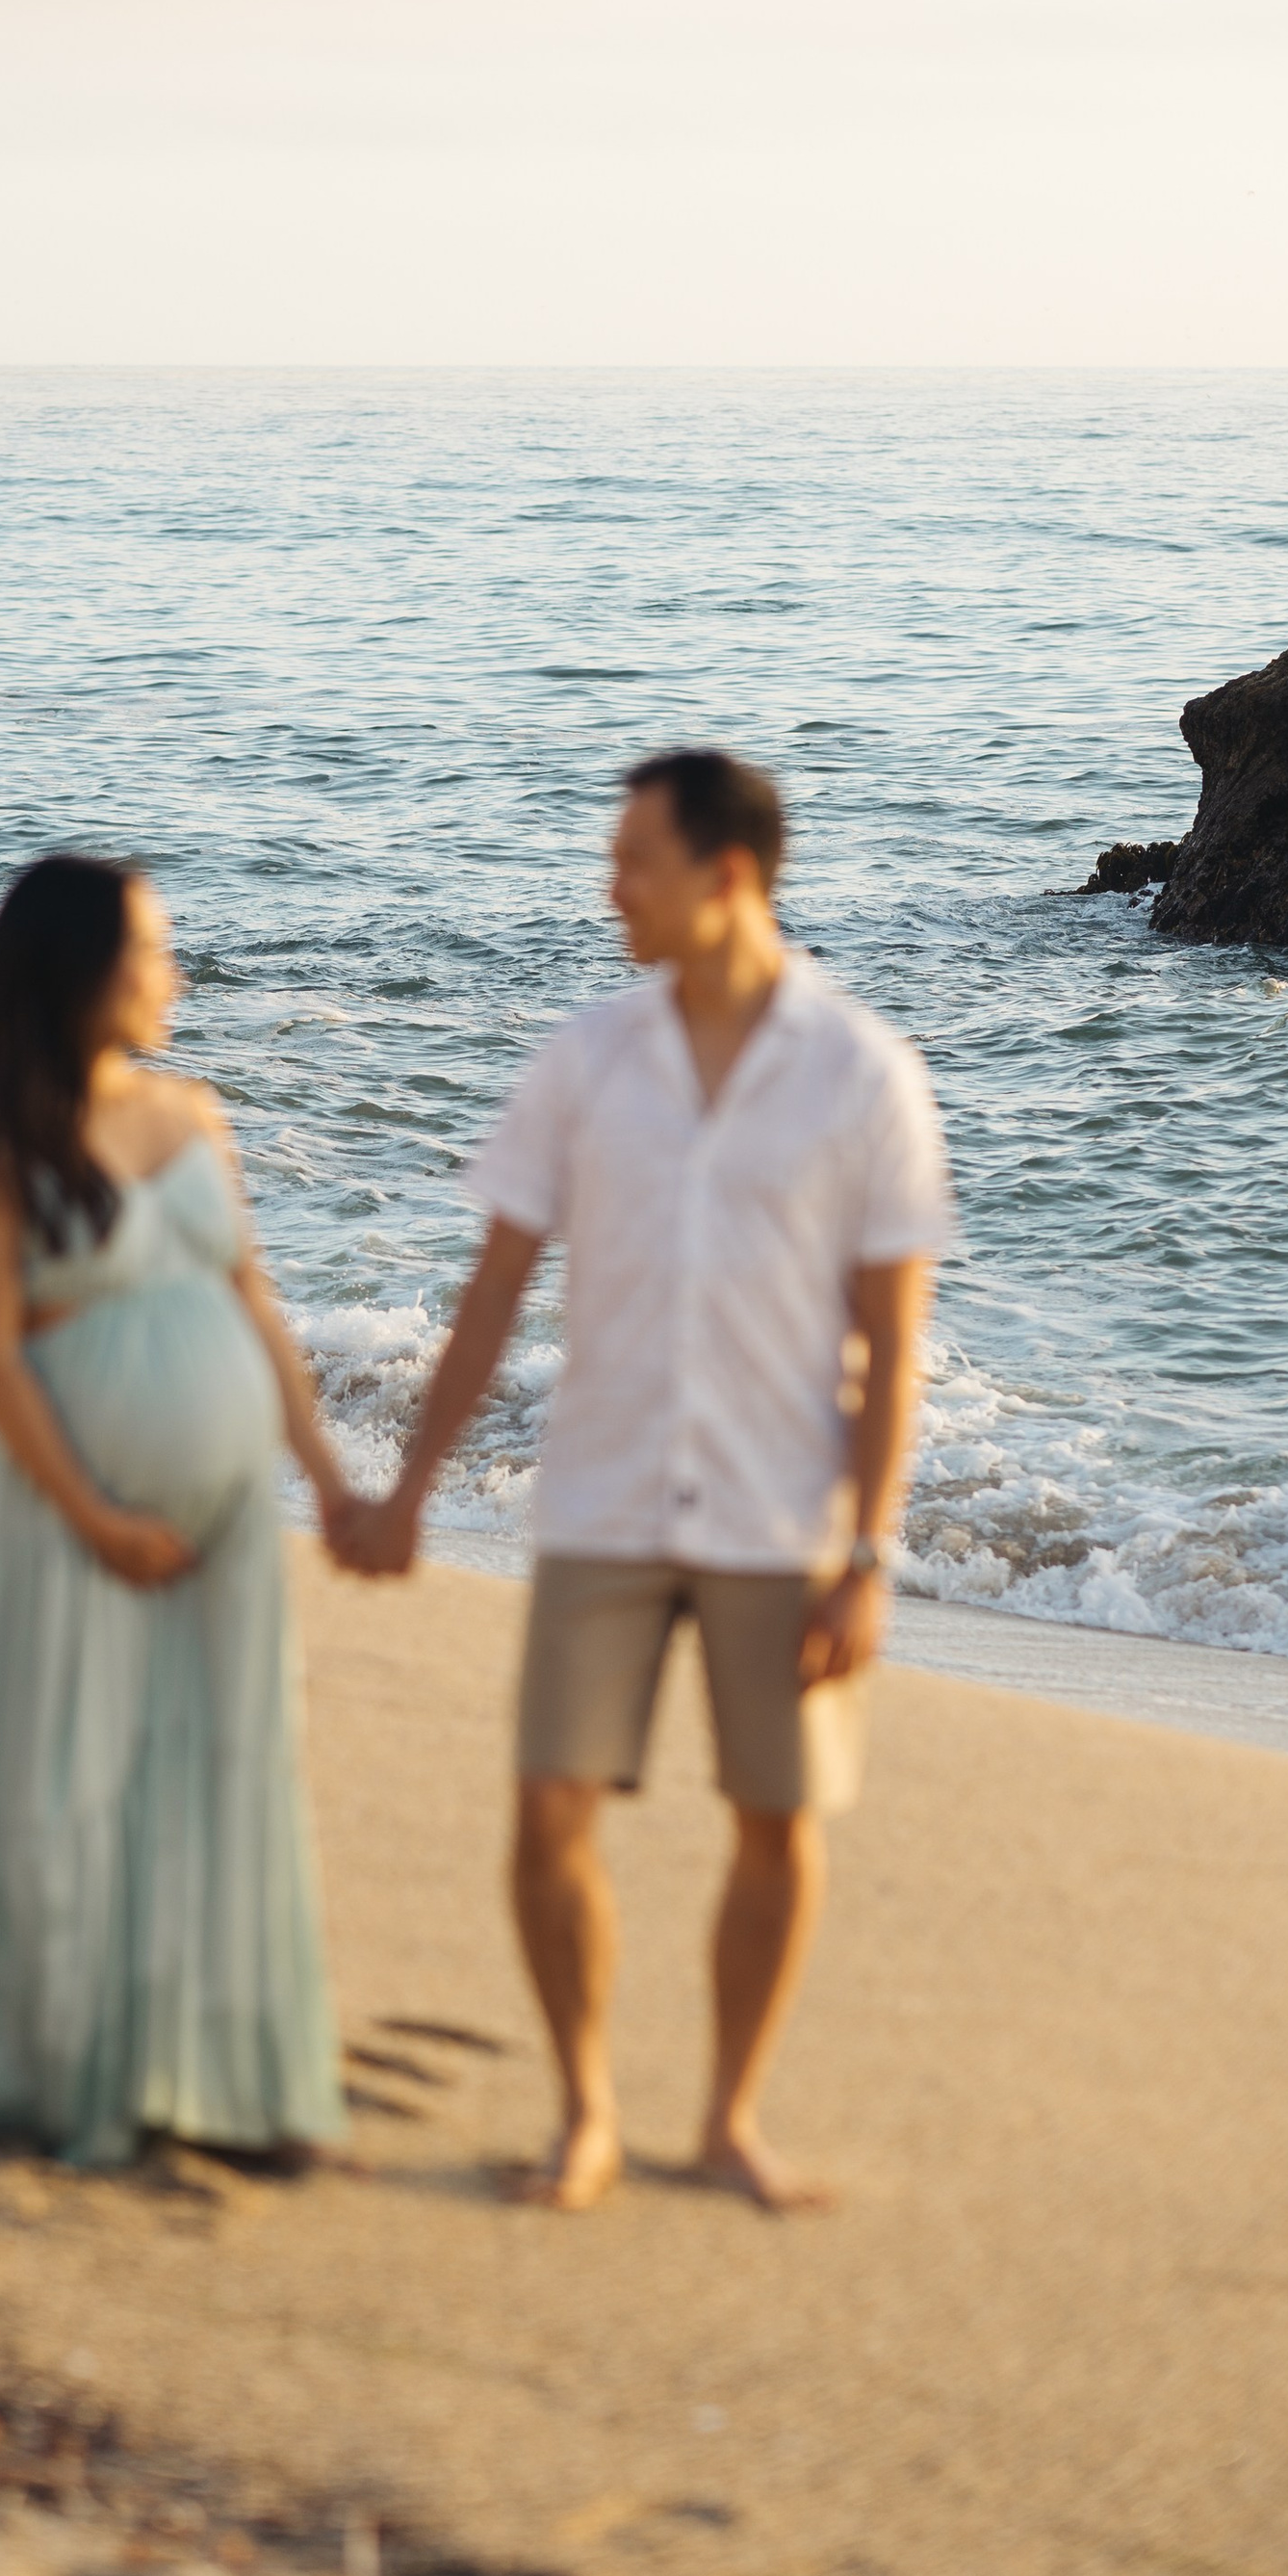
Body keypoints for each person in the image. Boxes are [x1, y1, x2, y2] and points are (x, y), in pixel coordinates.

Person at [340, 750, 953, 2213]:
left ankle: (729, 2117)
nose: (610, 888)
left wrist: (870, 1553)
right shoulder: (588, 1058)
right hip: (603, 1497)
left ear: (727, 876)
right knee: (550, 1810)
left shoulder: (863, 1073)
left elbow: (895, 1344)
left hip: (779, 1512)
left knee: (777, 1821)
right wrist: (410, 1485)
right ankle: (586, 2112)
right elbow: (492, 1292)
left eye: (635, 863)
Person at [0, 852, 350, 2170]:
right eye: (152, 949)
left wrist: (321, 1469)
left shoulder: (194, 1112)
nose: (175, 973)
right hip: (72, 1510)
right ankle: (64, 2074)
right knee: (76, 1774)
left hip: (224, 1519)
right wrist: (93, 1513)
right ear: (82, 972)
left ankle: (222, 2080)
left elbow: (254, 1298)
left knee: (223, 1765)